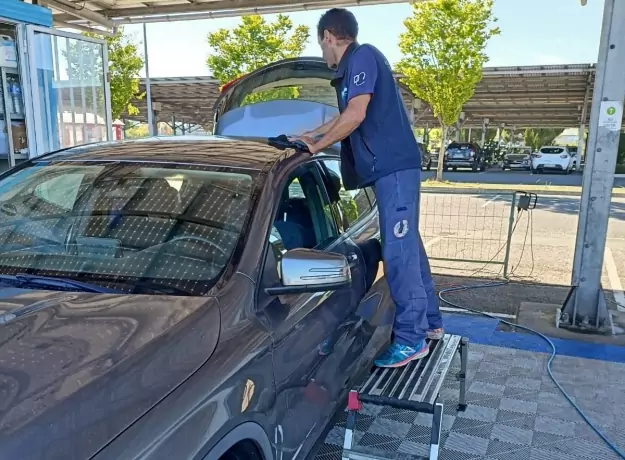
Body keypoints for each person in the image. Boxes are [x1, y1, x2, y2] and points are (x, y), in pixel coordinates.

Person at [291, 8, 444, 368]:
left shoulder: (364, 56)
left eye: (321, 45)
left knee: (397, 255)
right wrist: (312, 135)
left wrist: (314, 147)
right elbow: (345, 117)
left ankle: (410, 339)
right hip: (388, 173)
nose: (324, 55)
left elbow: (356, 115)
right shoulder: (351, 73)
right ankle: (431, 323)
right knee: (410, 250)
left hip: (395, 170)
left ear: (329, 36)